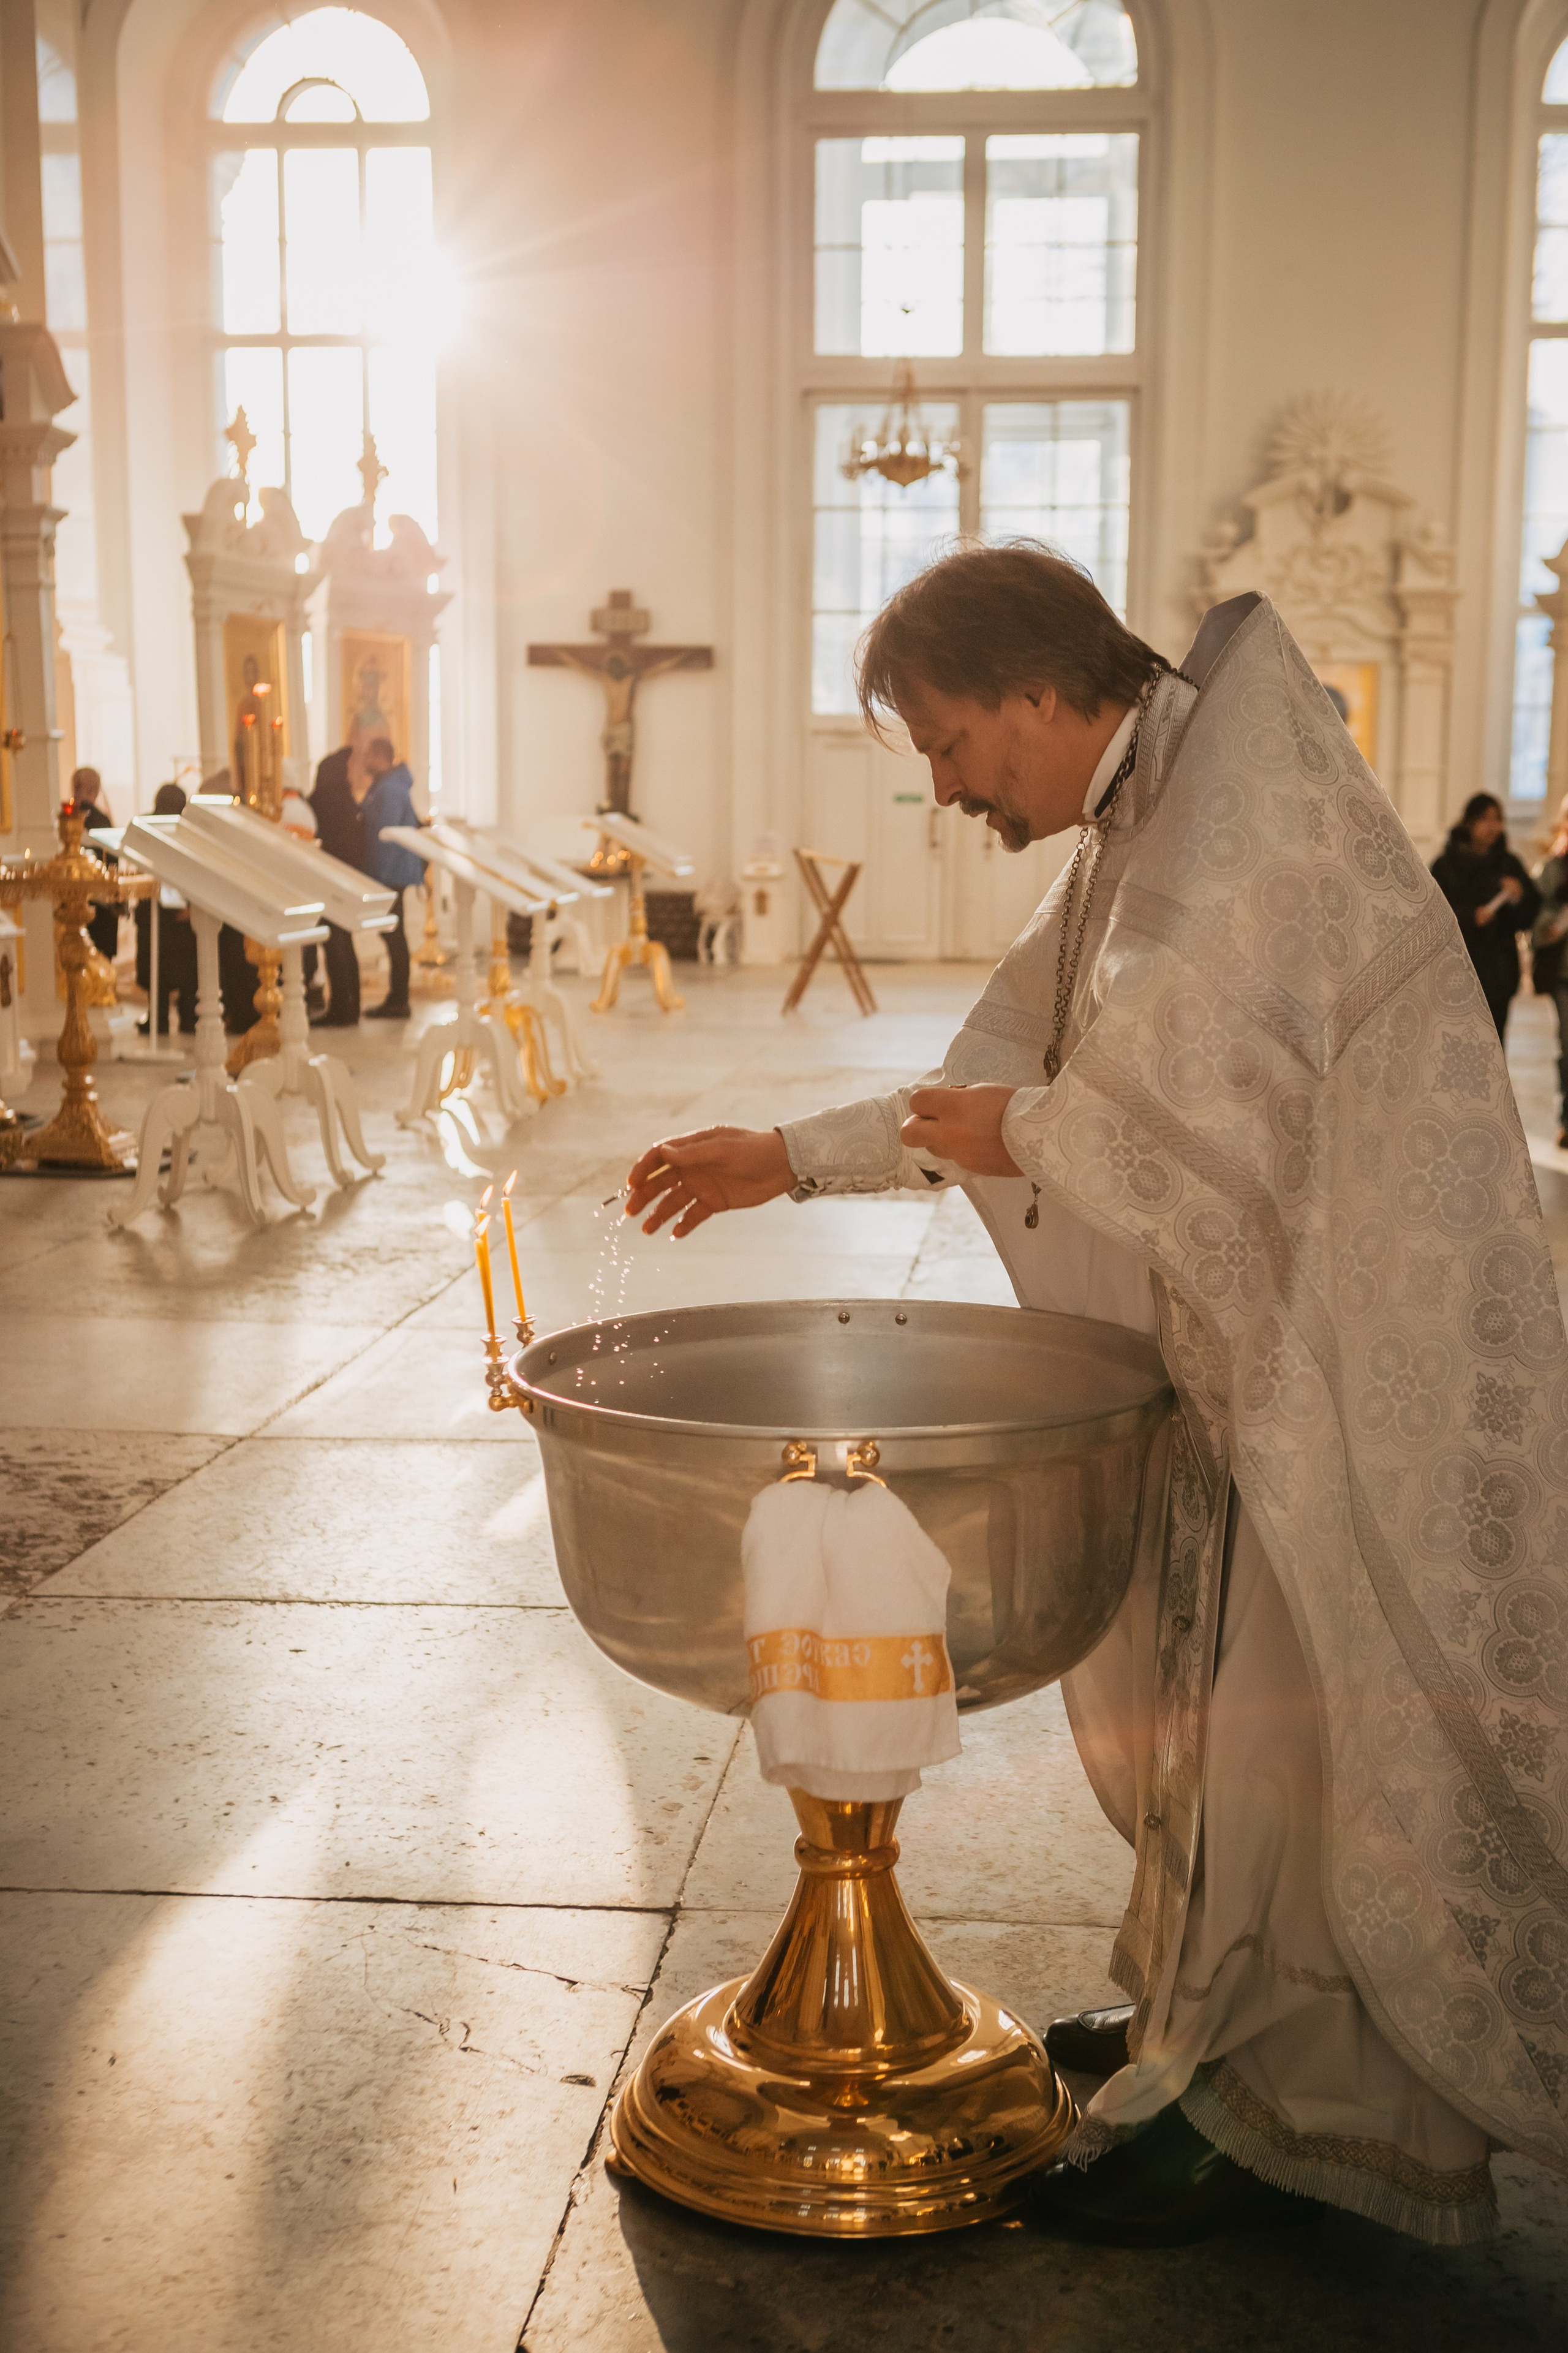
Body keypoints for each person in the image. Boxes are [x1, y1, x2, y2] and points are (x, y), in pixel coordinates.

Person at [622, 545, 1568, 2248]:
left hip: (1345, 1369)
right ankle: (1204, 2027)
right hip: (1253, 1348)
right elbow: (1019, 1060)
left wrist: (1045, 1139)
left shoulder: (1237, 813)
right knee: (1220, 1698)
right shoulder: (1154, 816)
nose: (947, 787)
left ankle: (1290, 2111)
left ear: (1042, 688)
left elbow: (1196, 1113)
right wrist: (787, 1158)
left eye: (950, 740)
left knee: (1295, 1721)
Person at [1430, 791, 1539, 1041]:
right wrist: (1469, 917)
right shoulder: (1446, 865)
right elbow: (1433, 912)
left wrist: (1519, 896)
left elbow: (1528, 916)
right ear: (1469, 822)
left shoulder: (1510, 864)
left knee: (1494, 1043)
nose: (1493, 826)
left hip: (1498, 973)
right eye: (1485, 819)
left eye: (1498, 819)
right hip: (1457, 969)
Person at [357, 736, 424, 1019]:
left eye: (368, 754)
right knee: (393, 934)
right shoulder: (387, 786)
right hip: (390, 872)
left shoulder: (390, 789)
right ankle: (397, 998)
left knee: (394, 935)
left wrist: (375, 877)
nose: (364, 761)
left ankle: (399, 1000)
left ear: (379, 755)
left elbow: (384, 835)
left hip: (390, 872)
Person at [309, 726, 369, 1027]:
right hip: (348, 881)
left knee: (335, 944)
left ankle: (341, 1010)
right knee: (345, 943)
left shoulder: (323, 802)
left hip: (329, 882)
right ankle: (351, 1006)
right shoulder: (346, 800)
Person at [132, 782, 197, 1035]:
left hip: (154, 908)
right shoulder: (185, 830)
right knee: (185, 970)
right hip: (177, 909)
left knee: (156, 967)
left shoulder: (148, 826)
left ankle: (158, 1019)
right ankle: (187, 1017)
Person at [1532, 793, 1568, 1149]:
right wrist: (1552, 923)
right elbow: (1535, 916)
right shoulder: (1552, 868)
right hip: (1564, 972)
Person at [68, 766, 121, 965]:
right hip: (101, 905)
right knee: (101, 962)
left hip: (72, 899)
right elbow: (112, 863)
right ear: (96, 789)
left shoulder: (65, 817)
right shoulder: (102, 820)